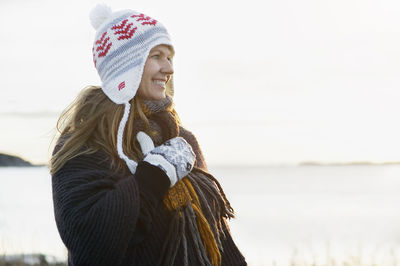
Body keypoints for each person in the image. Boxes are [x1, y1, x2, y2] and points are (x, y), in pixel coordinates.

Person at [50, 4, 247, 266]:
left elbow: (216, 235)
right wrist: (151, 179)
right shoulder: (85, 144)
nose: (169, 68)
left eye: (169, 57)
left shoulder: (182, 141)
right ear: (126, 67)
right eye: (156, 56)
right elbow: (89, 245)